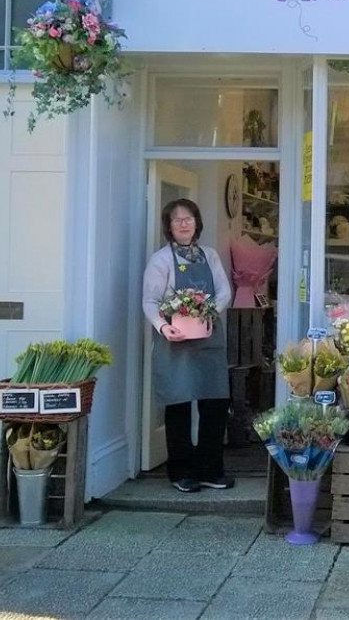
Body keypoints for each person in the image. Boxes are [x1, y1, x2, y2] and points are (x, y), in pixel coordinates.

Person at [142, 198, 234, 493]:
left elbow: (224, 292)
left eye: (188, 218)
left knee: (215, 403)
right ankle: (181, 471)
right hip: (175, 343)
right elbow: (150, 301)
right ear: (168, 227)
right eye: (176, 220)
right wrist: (163, 326)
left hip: (209, 339)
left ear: (197, 222)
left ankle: (210, 469)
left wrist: (208, 314)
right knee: (178, 404)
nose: (183, 224)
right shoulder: (161, 260)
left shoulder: (210, 255)